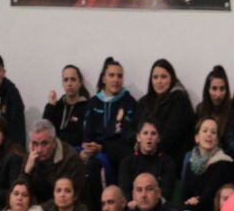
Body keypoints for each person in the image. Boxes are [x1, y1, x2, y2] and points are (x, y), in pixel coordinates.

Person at [82, 57, 137, 189]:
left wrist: (103, 147)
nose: (116, 80)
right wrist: (90, 147)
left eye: (119, 76)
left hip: (119, 152)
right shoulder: (94, 102)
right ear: (104, 78)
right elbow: (87, 131)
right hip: (95, 150)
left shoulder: (129, 101)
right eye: (111, 75)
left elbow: (128, 133)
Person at [180, 116, 234, 211]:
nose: (209, 135)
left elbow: (208, 200)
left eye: (213, 132)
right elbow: (184, 197)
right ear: (197, 138)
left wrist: (194, 201)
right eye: (205, 131)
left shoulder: (223, 163)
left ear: (217, 140)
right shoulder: (190, 163)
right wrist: (191, 202)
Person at [134, 58, 195, 164]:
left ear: (172, 78)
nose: (159, 81)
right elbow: (133, 126)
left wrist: (148, 146)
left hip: (170, 157)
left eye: (164, 77)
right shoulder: (144, 102)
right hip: (144, 152)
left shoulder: (180, 100)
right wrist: (138, 143)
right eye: (155, 77)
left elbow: (171, 135)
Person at [23, 118, 86, 205]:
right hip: (35, 210)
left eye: (44, 143)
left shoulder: (71, 159)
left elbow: (69, 198)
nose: (39, 149)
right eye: (35, 143)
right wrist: (26, 172)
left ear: (54, 142)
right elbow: (19, 192)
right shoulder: (31, 156)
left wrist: (38, 210)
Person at [118, 119, 177, 203]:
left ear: (158, 138)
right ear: (138, 137)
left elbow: (166, 194)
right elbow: (125, 193)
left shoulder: (167, 163)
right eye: (145, 133)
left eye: (153, 133)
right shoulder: (127, 163)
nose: (149, 137)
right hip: (133, 209)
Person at [43, 65, 91, 149]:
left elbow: (82, 137)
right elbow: (45, 131)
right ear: (62, 83)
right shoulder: (56, 106)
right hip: (54, 151)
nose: (69, 84)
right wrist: (50, 106)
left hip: (75, 152)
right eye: (66, 80)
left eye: (73, 79)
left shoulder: (87, 107)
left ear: (80, 83)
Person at [195, 65, 231, 143]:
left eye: (222, 89)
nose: (218, 94)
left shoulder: (232, 110)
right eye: (214, 89)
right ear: (207, 90)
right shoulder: (200, 109)